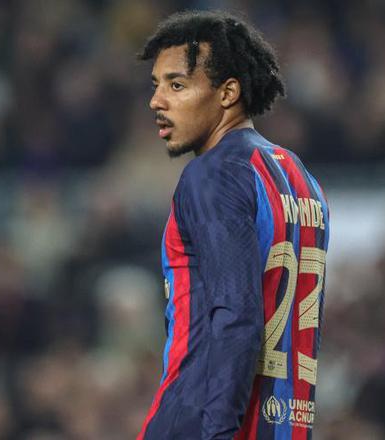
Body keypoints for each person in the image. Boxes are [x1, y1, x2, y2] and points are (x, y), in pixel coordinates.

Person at [137, 10, 330, 439]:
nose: (157, 101)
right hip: (287, 425)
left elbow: (238, 315)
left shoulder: (213, 174)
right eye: (156, 85)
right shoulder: (302, 179)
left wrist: (216, 431)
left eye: (177, 85)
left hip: (205, 421)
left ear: (227, 93)